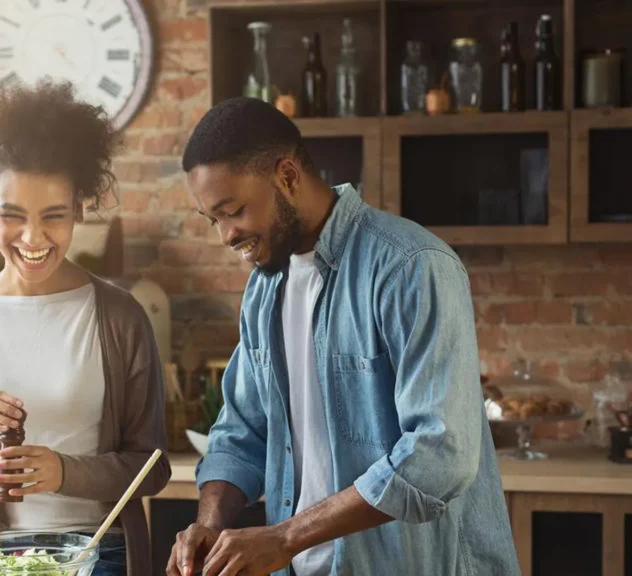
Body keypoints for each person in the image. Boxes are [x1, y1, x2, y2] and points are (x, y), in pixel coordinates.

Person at [167, 97, 519, 576]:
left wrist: (285, 537)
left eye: (233, 211)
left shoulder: (410, 266)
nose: (226, 236)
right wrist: (208, 523)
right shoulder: (264, 287)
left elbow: (440, 454)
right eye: (214, 220)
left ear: (287, 176)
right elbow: (242, 431)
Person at [0, 80, 170, 576]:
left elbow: (154, 467)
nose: (33, 238)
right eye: (13, 216)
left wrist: (63, 472)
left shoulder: (121, 316)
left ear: (79, 208)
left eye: (53, 217)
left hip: (101, 554)